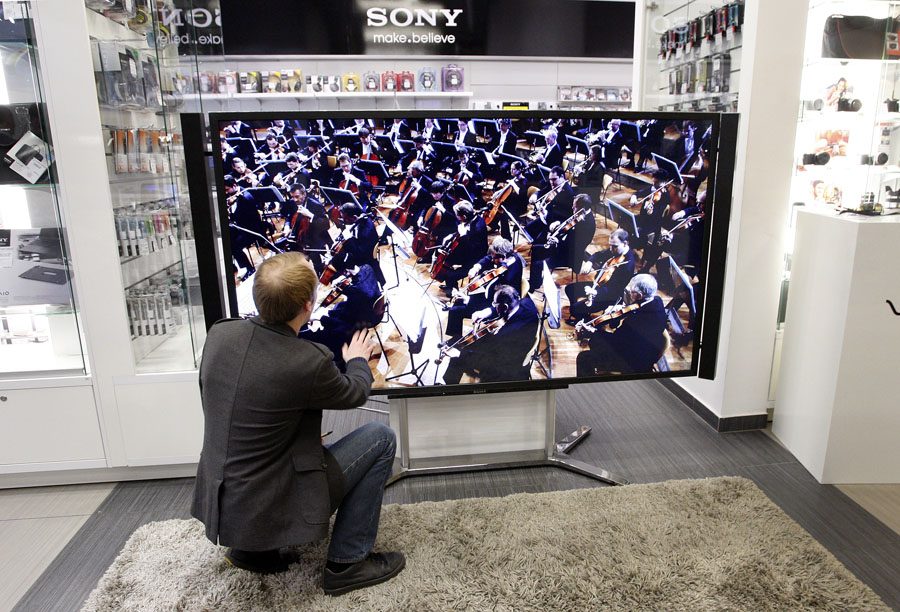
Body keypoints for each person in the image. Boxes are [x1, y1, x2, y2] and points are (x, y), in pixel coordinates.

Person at [191, 252, 405, 595]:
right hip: (268, 501)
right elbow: (354, 394)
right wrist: (358, 362)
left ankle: (251, 552)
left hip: (224, 499)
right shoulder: (308, 360)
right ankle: (347, 564)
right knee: (380, 437)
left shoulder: (220, 333)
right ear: (308, 305)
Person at [441, 284, 539, 384]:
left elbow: (490, 362)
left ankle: (448, 387)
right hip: (504, 350)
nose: (493, 306)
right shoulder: (526, 303)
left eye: (494, 304)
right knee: (464, 344)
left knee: (457, 358)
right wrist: (487, 312)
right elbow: (505, 308)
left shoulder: (505, 336)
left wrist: (459, 354)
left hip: (504, 368)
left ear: (504, 307)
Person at [575, 273, 668, 376]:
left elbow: (616, 341)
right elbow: (639, 306)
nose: (629, 293)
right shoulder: (656, 300)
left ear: (640, 295)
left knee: (583, 358)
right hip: (645, 348)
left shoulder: (635, 322)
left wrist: (592, 331)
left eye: (632, 292)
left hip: (633, 360)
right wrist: (623, 308)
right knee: (596, 341)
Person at [443, 237, 525, 340]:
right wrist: (476, 267)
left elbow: (499, 304)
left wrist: (469, 300)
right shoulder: (510, 257)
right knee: (458, 302)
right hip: (491, 295)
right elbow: (487, 259)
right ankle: (456, 336)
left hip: (497, 305)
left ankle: (456, 340)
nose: (492, 260)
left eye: (494, 258)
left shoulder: (510, 277)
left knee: (455, 310)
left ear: (503, 257)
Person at [565, 228, 635, 323]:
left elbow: (615, 289)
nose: (611, 249)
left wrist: (595, 292)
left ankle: (582, 318)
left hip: (609, 296)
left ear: (626, 243)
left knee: (574, 309)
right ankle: (581, 313)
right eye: (610, 245)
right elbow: (598, 255)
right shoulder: (616, 250)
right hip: (599, 285)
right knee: (570, 289)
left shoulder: (628, 266)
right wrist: (589, 262)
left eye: (614, 246)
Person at [528, 193, 596, 290]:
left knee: (538, 264)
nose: (572, 209)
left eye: (574, 208)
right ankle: (536, 282)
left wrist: (557, 242)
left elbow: (576, 246)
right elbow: (569, 229)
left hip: (569, 256)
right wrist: (558, 225)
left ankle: (533, 286)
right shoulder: (580, 215)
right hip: (562, 248)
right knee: (535, 249)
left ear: (583, 208)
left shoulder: (588, 225)